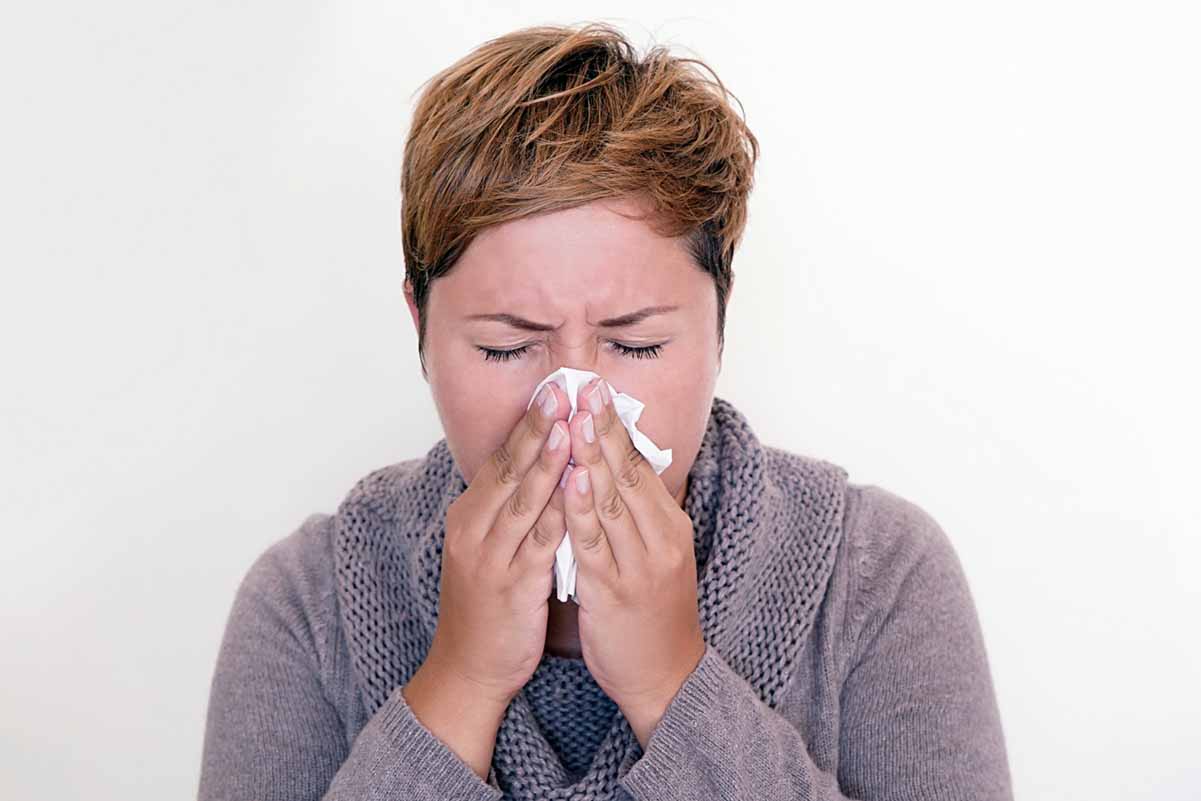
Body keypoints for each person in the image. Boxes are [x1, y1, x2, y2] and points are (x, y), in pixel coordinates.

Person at [198, 21, 1013, 801]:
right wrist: (462, 683)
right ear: (421, 326)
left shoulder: (877, 577)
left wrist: (671, 685)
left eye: (637, 345)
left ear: (719, 324)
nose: (574, 413)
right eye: (505, 348)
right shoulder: (307, 603)